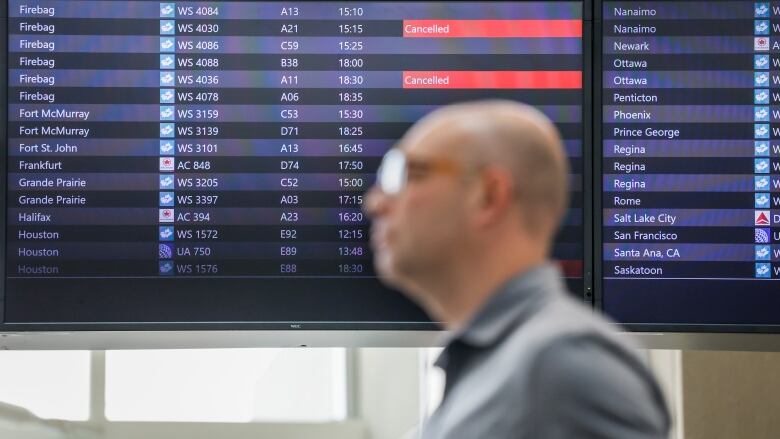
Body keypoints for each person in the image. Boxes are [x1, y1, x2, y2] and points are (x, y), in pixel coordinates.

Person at [363, 101, 670, 439]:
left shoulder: (566, 365)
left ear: (489, 195)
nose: (376, 203)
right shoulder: (499, 370)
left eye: (408, 174)